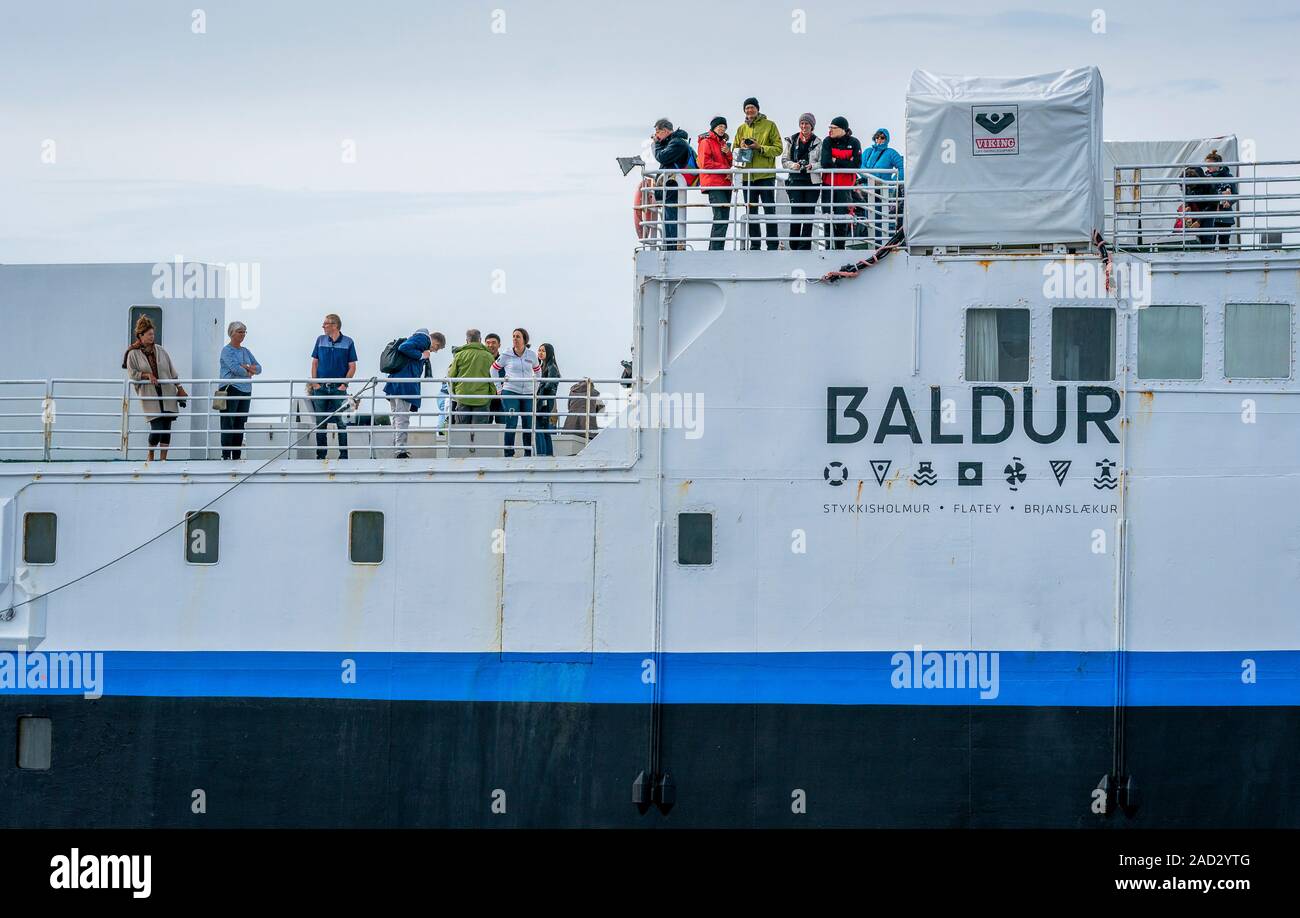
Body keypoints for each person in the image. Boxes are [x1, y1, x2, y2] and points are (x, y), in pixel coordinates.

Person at [123, 314, 187, 461]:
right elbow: (132, 374)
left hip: (167, 393)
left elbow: (172, 371)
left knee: (166, 428)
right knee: (157, 429)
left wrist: (180, 388)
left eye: (153, 334)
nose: (152, 337)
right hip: (150, 394)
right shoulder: (132, 354)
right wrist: (147, 375)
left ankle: (163, 459)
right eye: (149, 334)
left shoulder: (161, 350)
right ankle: (151, 454)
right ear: (141, 335)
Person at [383, 328, 440, 459]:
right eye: (437, 347)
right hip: (404, 386)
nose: (434, 351)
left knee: (397, 418)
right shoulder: (423, 339)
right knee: (402, 418)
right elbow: (404, 347)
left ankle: (397, 447)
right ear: (434, 340)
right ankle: (400, 450)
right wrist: (421, 356)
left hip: (396, 384)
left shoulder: (419, 340)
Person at [733, 98, 782, 250]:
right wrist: (742, 148)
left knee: (769, 210)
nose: (750, 110)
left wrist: (760, 147)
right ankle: (755, 245)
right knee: (751, 211)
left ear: (758, 109)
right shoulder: (741, 129)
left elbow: (778, 149)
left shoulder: (770, 125)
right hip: (747, 177)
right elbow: (734, 152)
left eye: (752, 107)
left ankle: (772, 245)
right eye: (747, 108)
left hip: (766, 175)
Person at [309, 313, 358, 460]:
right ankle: (321, 456)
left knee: (342, 423)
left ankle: (343, 456)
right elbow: (314, 363)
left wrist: (344, 384)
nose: (323, 326)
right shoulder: (320, 340)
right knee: (320, 423)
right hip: (321, 388)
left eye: (326, 324)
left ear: (335, 325)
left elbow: (352, 366)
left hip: (338, 388)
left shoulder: (348, 342)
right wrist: (315, 383)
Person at [492, 327, 540, 457]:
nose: (515, 339)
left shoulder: (531, 355)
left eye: (518, 336)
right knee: (511, 421)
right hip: (510, 391)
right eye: (513, 336)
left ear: (524, 339)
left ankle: (528, 453)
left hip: (528, 393)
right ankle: (509, 452)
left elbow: (538, 371)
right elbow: (493, 369)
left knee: (528, 423)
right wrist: (499, 388)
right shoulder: (507, 354)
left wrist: (536, 388)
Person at [218, 321, 261, 459]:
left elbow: (259, 368)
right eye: (240, 331)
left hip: (245, 390)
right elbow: (236, 369)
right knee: (228, 422)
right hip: (230, 389)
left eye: (244, 331)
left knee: (240, 423)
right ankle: (226, 455)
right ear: (232, 333)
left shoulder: (245, 351)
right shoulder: (226, 350)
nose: (243, 334)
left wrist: (246, 367)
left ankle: (236, 455)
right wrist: (248, 369)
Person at [781, 113, 822, 250]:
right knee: (796, 212)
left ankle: (804, 246)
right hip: (795, 181)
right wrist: (794, 165)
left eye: (807, 124)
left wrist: (812, 166)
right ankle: (794, 244)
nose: (804, 126)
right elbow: (784, 160)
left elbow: (822, 162)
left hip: (812, 181)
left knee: (809, 213)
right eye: (802, 123)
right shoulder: (791, 140)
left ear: (812, 126)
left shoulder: (818, 142)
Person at [820, 116, 862, 249]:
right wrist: (845, 162)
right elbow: (825, 163)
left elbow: (856, 165)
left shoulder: (854, 142)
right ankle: (828, 246)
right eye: (830, 127)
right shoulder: (827, 141)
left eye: (833, 128)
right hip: (828, 185)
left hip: (845, 187)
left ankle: (840, 247)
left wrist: (835, 160)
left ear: (842, 129)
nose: (830, 130)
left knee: (842, 218)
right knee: (827, 217)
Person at [860, 127, 905, 243]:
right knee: (868, 216)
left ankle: (879, 242)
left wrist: (893, 183)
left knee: (880, 216)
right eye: (877, 137)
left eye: (882, 137)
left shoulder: (890, 153)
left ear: (887, 139)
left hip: (882, 190)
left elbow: (901, 167)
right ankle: (870, 240)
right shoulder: (867, 152)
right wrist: (872, 178)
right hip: (867, 189)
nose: (879, 139)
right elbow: (860, 167)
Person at [652, 119, 691, 249]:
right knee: (668, 218)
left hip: (673, 187)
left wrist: (656, 144)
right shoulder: (673, 142)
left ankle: (672, 246)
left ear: (666, 131)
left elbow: (662, 157)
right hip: (670, 188)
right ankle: (669, 244)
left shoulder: (677, 143)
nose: (657, 135)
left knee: (671, 217)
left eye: (658, 132)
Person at [697, 117, 734, 251]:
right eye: (719, 126)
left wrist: (728, 154)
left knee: (724, 217)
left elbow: (730, 163)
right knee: (720, 216)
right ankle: (715, 250)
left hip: (725, 183)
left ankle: (717, 248)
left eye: (724, 127)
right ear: (713, 127)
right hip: (714, 184)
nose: (722, 129)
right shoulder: (706, 142)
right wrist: (726, 169)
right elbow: (705, 164)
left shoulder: (722, 143)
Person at [448, 328, 496, 425]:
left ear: (467, 340)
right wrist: (490, 395)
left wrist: (455, 393)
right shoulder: (488, 356)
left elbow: (451, 376)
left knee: (462, 431)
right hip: (482, 397)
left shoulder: (459, 355)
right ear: (480, 340)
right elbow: (493, 378)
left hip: (462, 395)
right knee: (479, 432)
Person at [1204, 150, 1237, 250]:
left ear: (1218, 164)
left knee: (1224, 242)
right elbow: (1205, 196)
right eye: (1206, 165)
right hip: (1211, 214)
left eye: (1210, 165)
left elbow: (1235, 194)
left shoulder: (1229, 177)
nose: (1207, 167)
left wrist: (1229, 202)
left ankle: (1224, 263)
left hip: (1225, 215)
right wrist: (1222, 194)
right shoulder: (1205, 178)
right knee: (1210, 242)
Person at [1181, 166, 1218, 250]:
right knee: (1194, 236)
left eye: (1191, 186)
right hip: (1196, 208)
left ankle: (1209, 256)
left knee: (1207, 235)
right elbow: (1186, 195)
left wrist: (1199, 221)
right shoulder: (1185, 180)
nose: (1189, 188)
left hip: (1208, 209)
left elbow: (1213, 204)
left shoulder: (1209, 183)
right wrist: (1187, 207)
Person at [534, 343, 561, 457]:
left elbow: (550, 384)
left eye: (543, 351)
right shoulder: (543, 366)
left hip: (545, 399)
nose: (540, 353)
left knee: (538, 426)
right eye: (539, 350)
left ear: (549, 353)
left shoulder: (551, 367)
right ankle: (548, 454)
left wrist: (540, 389)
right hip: (544, 399)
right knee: (544, 428)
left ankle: (542, 453)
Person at [484, 333, 505, 423]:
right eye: (488, 343)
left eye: (493, 342)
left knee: (503, 423)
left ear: (499, 345)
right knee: (486, 425)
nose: (490, 345)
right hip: (486, 396)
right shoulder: (482, 359)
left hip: (501, 396)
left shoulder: (504, 359)